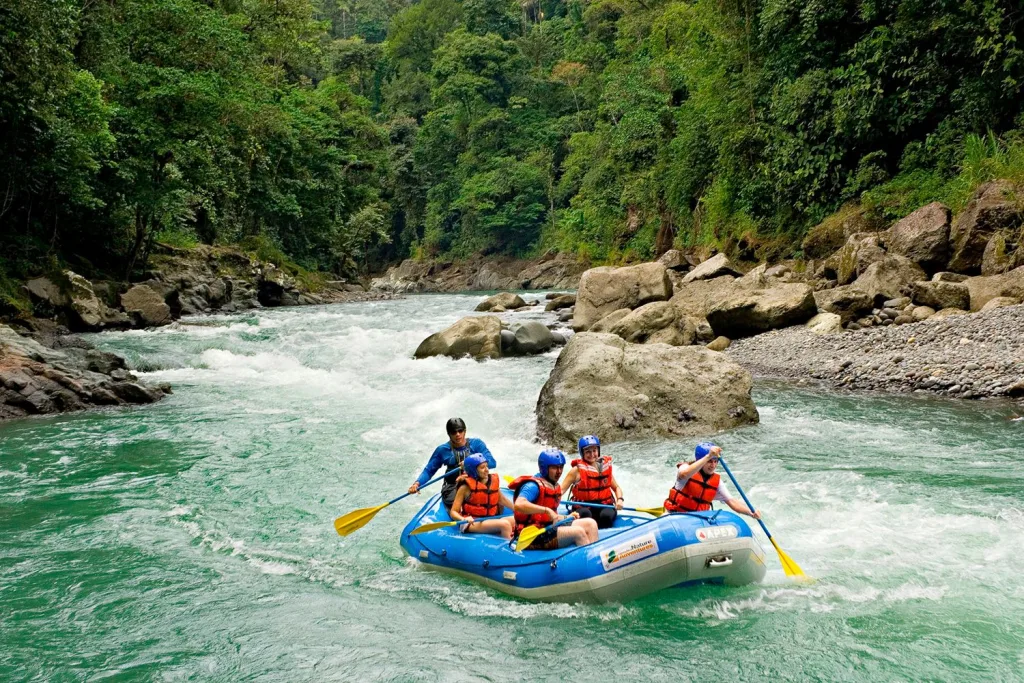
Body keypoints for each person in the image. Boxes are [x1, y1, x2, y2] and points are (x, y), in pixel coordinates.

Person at [510, 448, 599, 550]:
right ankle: (588, 560)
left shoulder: (553, 485)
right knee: (578, 532)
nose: (559, 472)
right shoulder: (532, 486)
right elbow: (519, 504)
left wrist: (566, 517)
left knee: (591, 524)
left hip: (548, 527)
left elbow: (549, 517)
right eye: (555, 468)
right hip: (534, 535)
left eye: (561, 467)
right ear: (544, 468)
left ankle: (595, 555)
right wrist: (546, 510)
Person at [409, 418, 495, 509]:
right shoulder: (442, 450)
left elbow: (492, 462)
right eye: (454, 432)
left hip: (477, 483)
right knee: (456, 504)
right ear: (449, 434)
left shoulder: (477, 444)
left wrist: (469, 462)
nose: (457, 434)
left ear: (464, 431)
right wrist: (417, 484)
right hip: (453, 487)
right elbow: (429, 471)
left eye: (460, 431)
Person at [664, 442, 762, 519]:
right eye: (710, 461)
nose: (713, 465)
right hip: (675, 516)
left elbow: (732, 502)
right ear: (701, 460)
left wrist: (750, 512)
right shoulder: (685, 468)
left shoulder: (717, 482)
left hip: (697, 521)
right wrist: (708, 455)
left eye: (715, 461)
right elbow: (684, 474)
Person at [560, 435, 623, 529]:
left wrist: (620, 500)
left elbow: (616, 487)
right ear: (582, 453)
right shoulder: (576, 471)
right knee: (586, 515)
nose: (592, 454)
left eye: (594, 450)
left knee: (607, 516)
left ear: (598, 451)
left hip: (604, 505)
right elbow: (560, 491)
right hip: (583, 507)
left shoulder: (604, 467)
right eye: (588, 451)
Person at [450, 454, 515, 539]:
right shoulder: (465, 488)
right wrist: (463, 519)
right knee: (505, 525)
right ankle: (508, 549)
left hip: (490, 519)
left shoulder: (491, 482)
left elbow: (502, 499)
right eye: (482, 467)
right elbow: (453, 512)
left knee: (520, 518)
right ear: (473, 470)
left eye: (487, 466)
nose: (487, 470)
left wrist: (518, 510)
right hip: (472, 522)